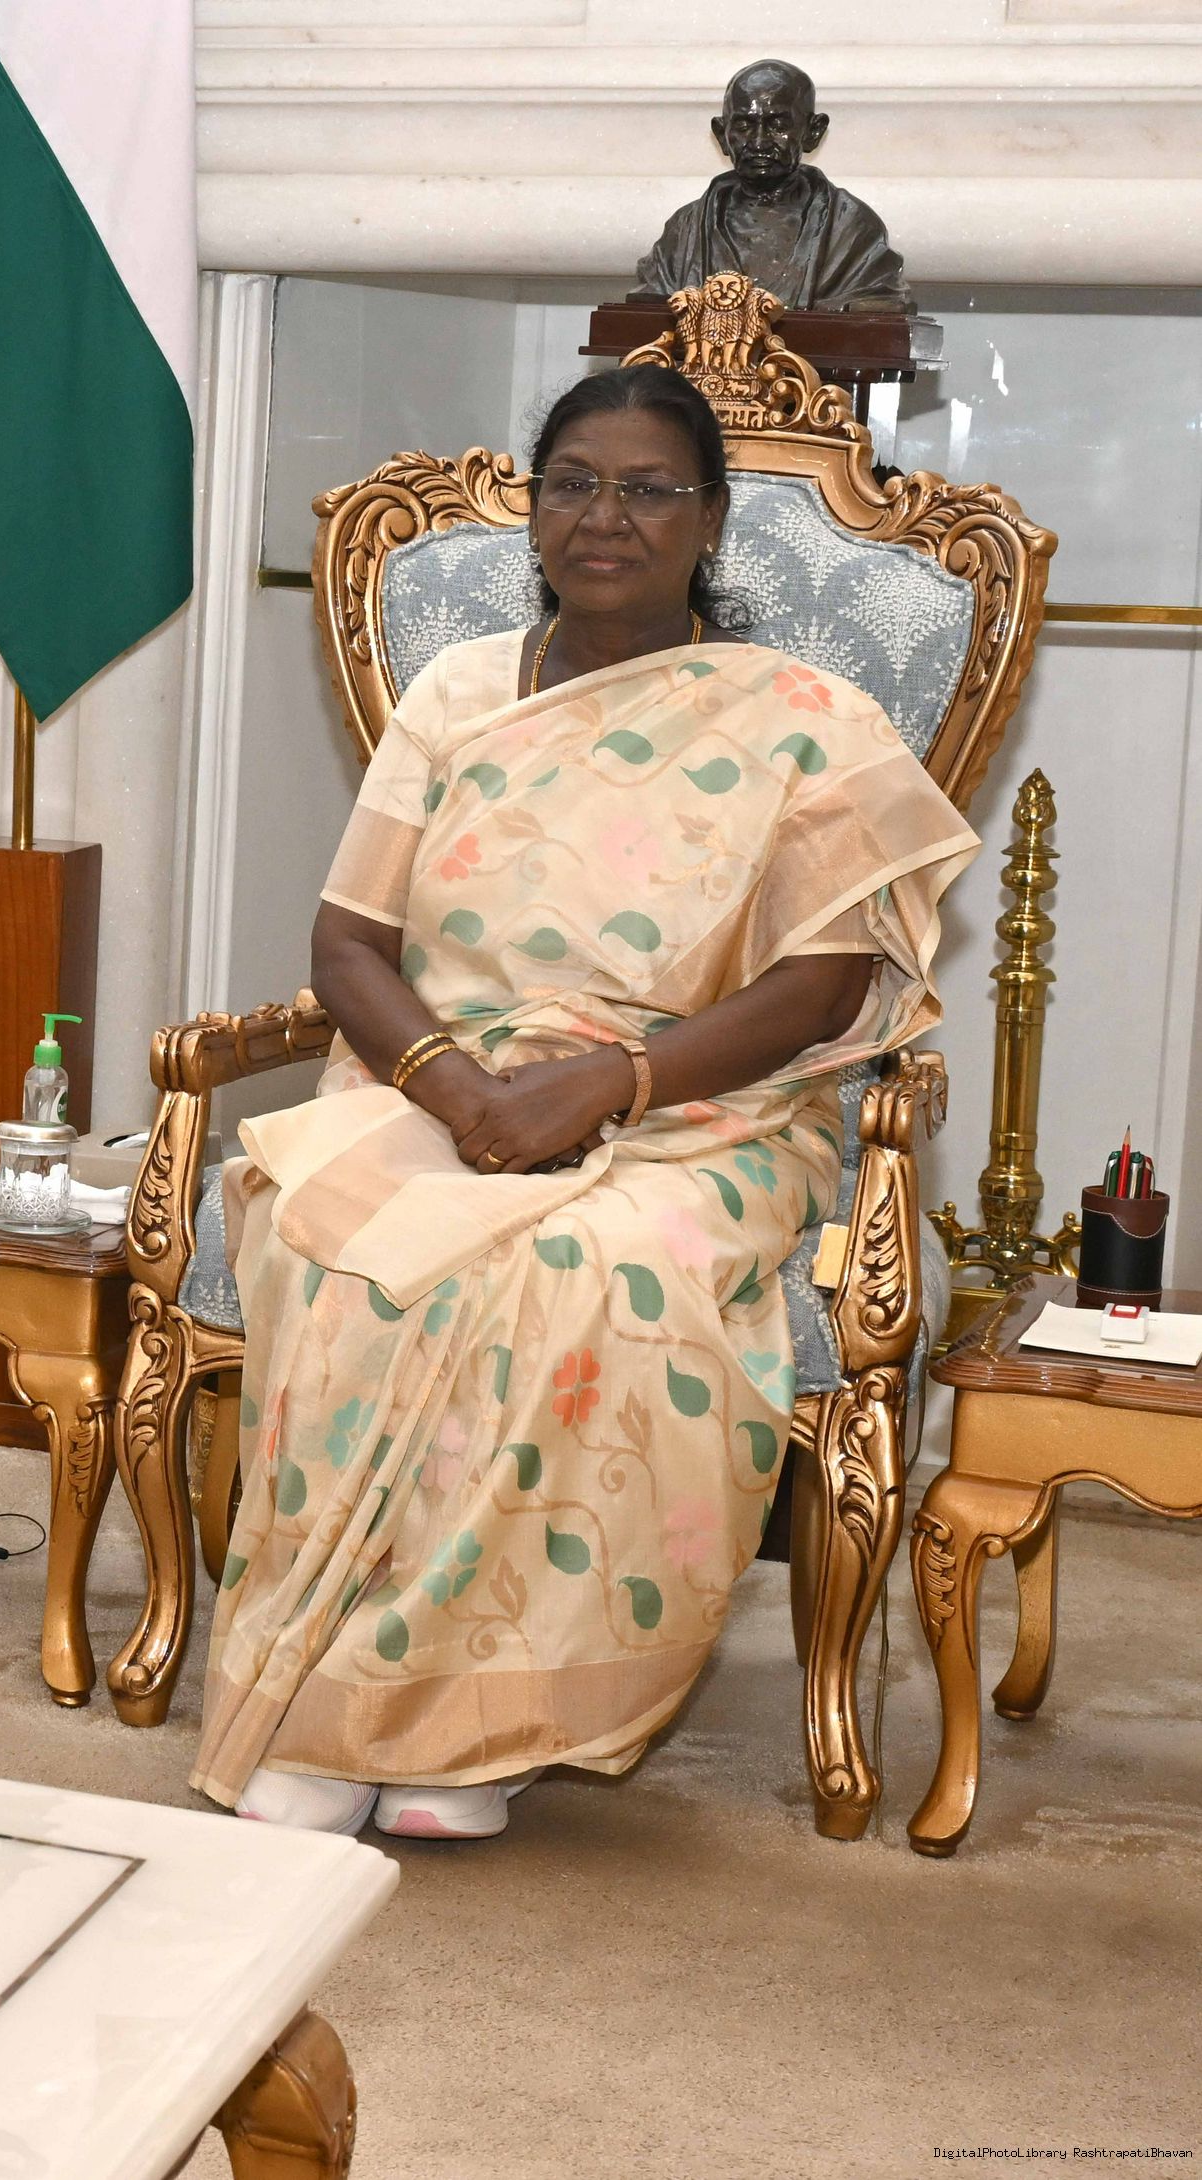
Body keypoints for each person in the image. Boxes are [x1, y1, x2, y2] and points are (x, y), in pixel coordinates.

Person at [191, 363, 976, 1841]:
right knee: (348, 1250)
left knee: (583, 1268)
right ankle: (330, 1705)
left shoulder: (808, 718)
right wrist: (455, 1087)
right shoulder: (455, 693)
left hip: (706, 1107)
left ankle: (466, 1731)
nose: (603, 516)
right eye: (572, 483)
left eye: (647, 489)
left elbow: (819, 989)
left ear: (710, 520)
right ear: (534, 507)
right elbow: (348, 945)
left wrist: (608, 1084)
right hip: (442, 1075)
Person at [632, 58, 909, 313]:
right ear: (721, 135)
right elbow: (649, 315)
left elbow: (874, 315)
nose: (759, 142)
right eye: (744, 126)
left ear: (813, 132)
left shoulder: (852, 230)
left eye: (778, 125)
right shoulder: (684, 232)